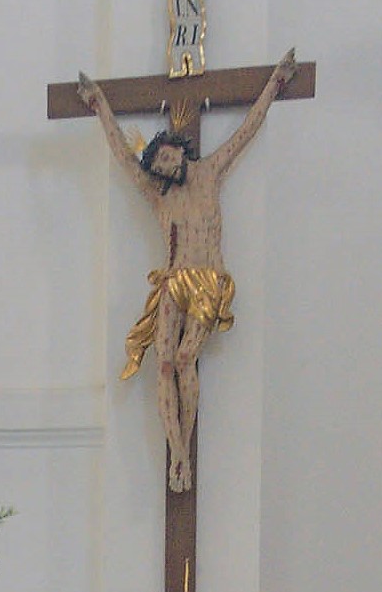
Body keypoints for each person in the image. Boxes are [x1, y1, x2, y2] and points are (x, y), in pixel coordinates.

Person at [78, 50, 296, 491]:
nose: (163, 167)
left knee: (183, 356)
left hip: (207, 281)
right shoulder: (159, 196)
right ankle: (177, 454)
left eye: (167, 159)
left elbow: (245, 132)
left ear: (180, 149)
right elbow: (123, 156)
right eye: (157, 165)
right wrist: (100, 104)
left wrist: (274, 83)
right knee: (162, 362)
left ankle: (184, 451)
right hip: (174, 280)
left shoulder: (210, 171)